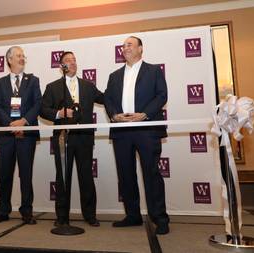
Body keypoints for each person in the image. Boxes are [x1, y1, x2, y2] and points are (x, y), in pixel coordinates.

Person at [104, 36, 170, 234]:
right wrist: (115, 115)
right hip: (122, 131)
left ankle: (160, 218)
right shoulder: (114, 75)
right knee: (126, 175)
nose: (125, 48)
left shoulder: (154, 71)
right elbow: (108, 98)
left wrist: (145, 114)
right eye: (123, 46)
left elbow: (161, 95)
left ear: (141, 49)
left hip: (147, 129)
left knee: (151, 173)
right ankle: (132, 215)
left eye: (129, 45)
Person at [41, 51, 104, 227]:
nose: (73, 62)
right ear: (61, 66)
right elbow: (43, 109)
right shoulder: (53, 87)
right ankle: (62, 217)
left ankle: (90, 215)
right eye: (68, 60)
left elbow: (105, 98)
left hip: (84, 138)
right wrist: (58, 113)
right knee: (62, 178)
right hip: (63, 138)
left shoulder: (88, 85)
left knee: (86, 177)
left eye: (74, 60)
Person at [0, 46, 41, 225]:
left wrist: (24, 121)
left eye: (23, 56)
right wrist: (10, 124)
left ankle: (27, 211)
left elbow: (38, 103)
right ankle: (3, 211)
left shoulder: (33, 80)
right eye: (18, 56)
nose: (22, 58)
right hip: (6, 135)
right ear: (9, 60)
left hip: (26, 133)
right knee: (4, 174)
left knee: (26, 174)